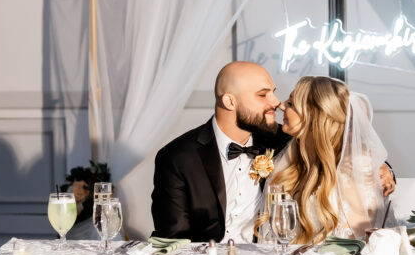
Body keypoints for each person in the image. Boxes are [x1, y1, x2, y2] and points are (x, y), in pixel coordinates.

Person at [151, 61, 288, 242]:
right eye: (262, 94)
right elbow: (173, 238)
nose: (276, 102)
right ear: (230, 101)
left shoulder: (284, 143)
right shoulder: (177, 157)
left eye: (273, 92)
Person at [261, 75, 395, 244]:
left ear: (314, 115)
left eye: (291, 104)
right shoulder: (289, 159)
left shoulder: (355, 168)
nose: (281, 105)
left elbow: (358, 244)